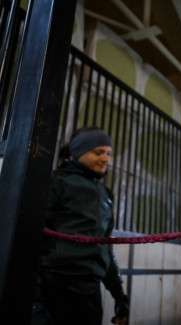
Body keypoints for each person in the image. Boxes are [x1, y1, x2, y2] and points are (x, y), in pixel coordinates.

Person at [33, 127, 129, 325]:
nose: (106, 159)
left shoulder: (106, 195)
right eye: (98, 152)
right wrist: (36, 301)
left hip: (90, 292)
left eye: (108, 154)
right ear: (78, 152)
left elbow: (105, 248)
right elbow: (31, 239)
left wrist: (120, 296)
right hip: (55, 287)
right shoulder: (56, 183)